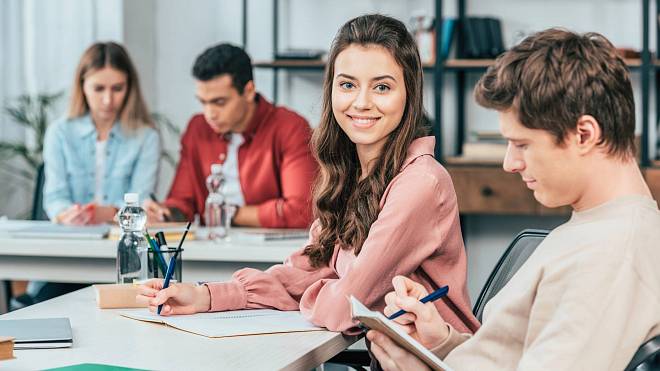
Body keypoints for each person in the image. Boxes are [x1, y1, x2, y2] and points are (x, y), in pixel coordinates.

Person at [138, 14, 480, 336]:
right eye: (347, 85)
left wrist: (328, 283)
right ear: (331, 90)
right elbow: (306, 269)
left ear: (409, 94)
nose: (361, 102)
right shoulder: (353, 174)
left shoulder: (420, 183)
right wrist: (205, 296)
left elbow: (344, 308)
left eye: (381, 87)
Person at [367, 28, 660, 371]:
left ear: (584, 134)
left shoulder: (611, 258)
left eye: (522, 144)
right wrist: (443, 343)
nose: (510, 163)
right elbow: (521, 354)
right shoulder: (599, 227)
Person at [143, 43, 316, 228]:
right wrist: (164, 213)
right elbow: (182, 202)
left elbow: (302, 211)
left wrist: (227, 213)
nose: (210, 113)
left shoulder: (290, 128)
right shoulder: (198, 128)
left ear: (249, 91)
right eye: (203, 102)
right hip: (213, 250)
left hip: (271, 255)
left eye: (219, 102)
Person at [43, 42, 160, 225]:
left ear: (129, 88)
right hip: (71, 236)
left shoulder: (146, 137)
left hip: (123, 236)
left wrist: (106, 214)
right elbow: (55, 197)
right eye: (98, 89)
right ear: (82, 86)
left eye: (117, 89)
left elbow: (140, 199)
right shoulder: (59, 133)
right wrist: (67, 214)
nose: (108, 100)